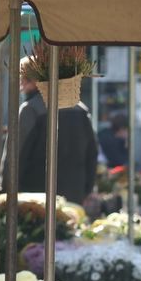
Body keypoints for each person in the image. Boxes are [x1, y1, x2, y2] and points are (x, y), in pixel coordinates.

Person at [18, 60, 99, 204]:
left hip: (35, 196)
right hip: (74, 193)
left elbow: (16, 154)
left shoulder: (30, 109)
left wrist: (6, 189)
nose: (21, 86)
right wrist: (86, 189)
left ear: (33, 80)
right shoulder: (81, 110)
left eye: (22, 79)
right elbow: (92, 154)